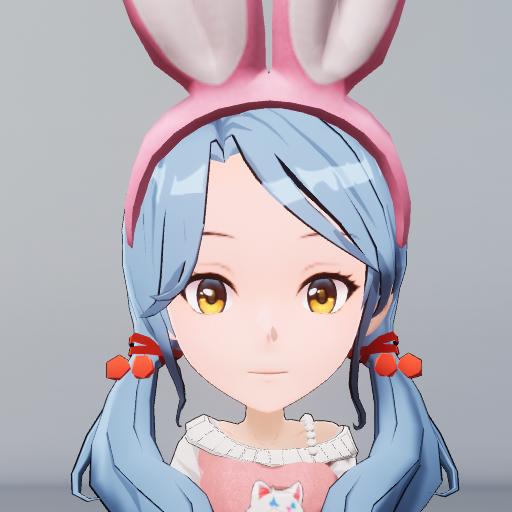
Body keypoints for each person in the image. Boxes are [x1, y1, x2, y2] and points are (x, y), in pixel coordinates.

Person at [72, 2, 459, 511]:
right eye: (210, 292)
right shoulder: (202, 450)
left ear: (378, 299)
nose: (268, 330)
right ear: (157, 300)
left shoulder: (333, 449)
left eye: (323, 292)